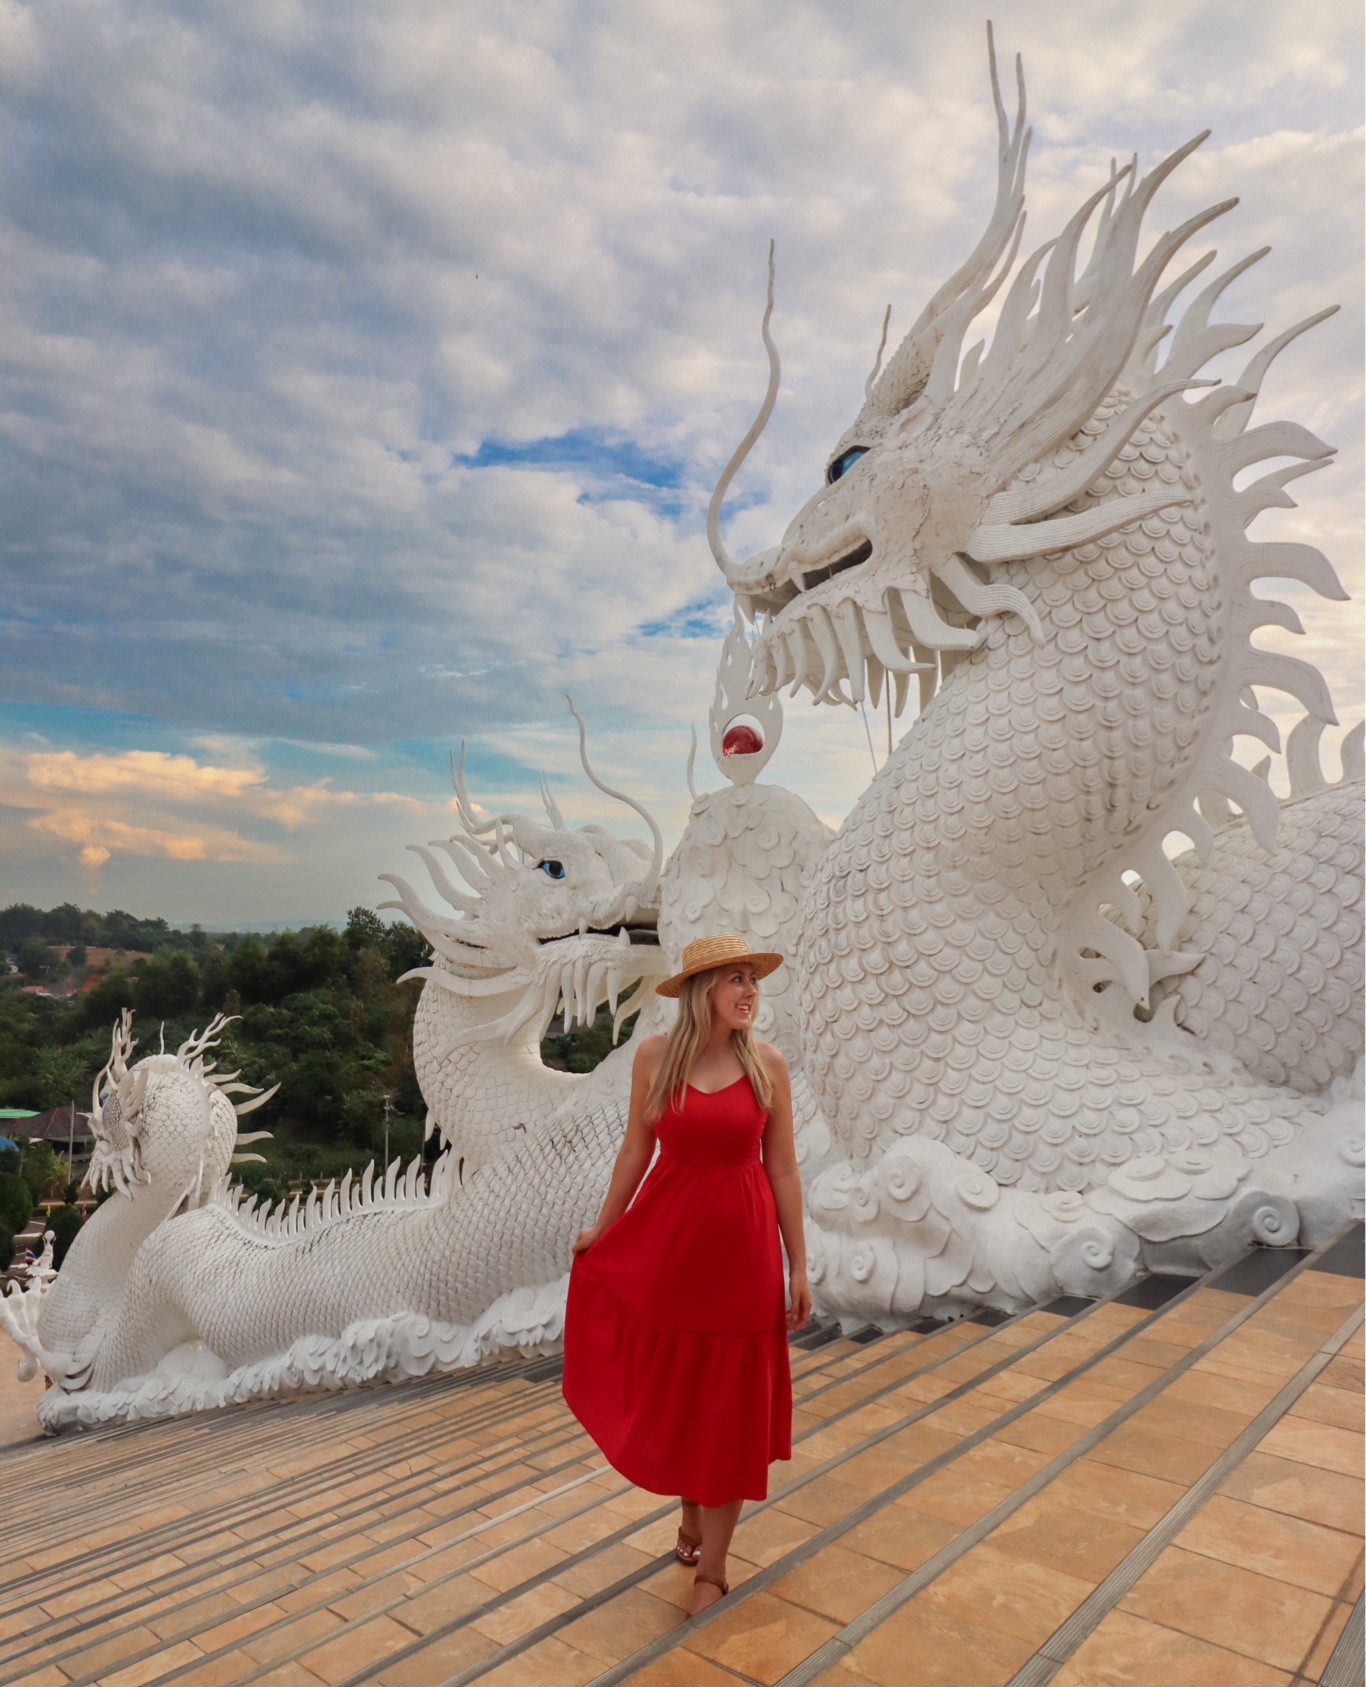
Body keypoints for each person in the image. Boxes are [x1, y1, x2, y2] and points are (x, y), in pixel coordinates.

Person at [562, 932, 811, 1617]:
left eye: (751, 978)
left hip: (745, 1254)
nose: (748, 991)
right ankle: (692, 1515)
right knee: (682, 1388)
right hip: (672, 1247)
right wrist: (606, 1229)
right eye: (734, 979)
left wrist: (798, 1264)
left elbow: (783, 1168)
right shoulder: (654, 1058)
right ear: (704, 991)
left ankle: (715, 1567)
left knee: (729, 1401)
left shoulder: (767, 1064)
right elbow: (635, 1148)